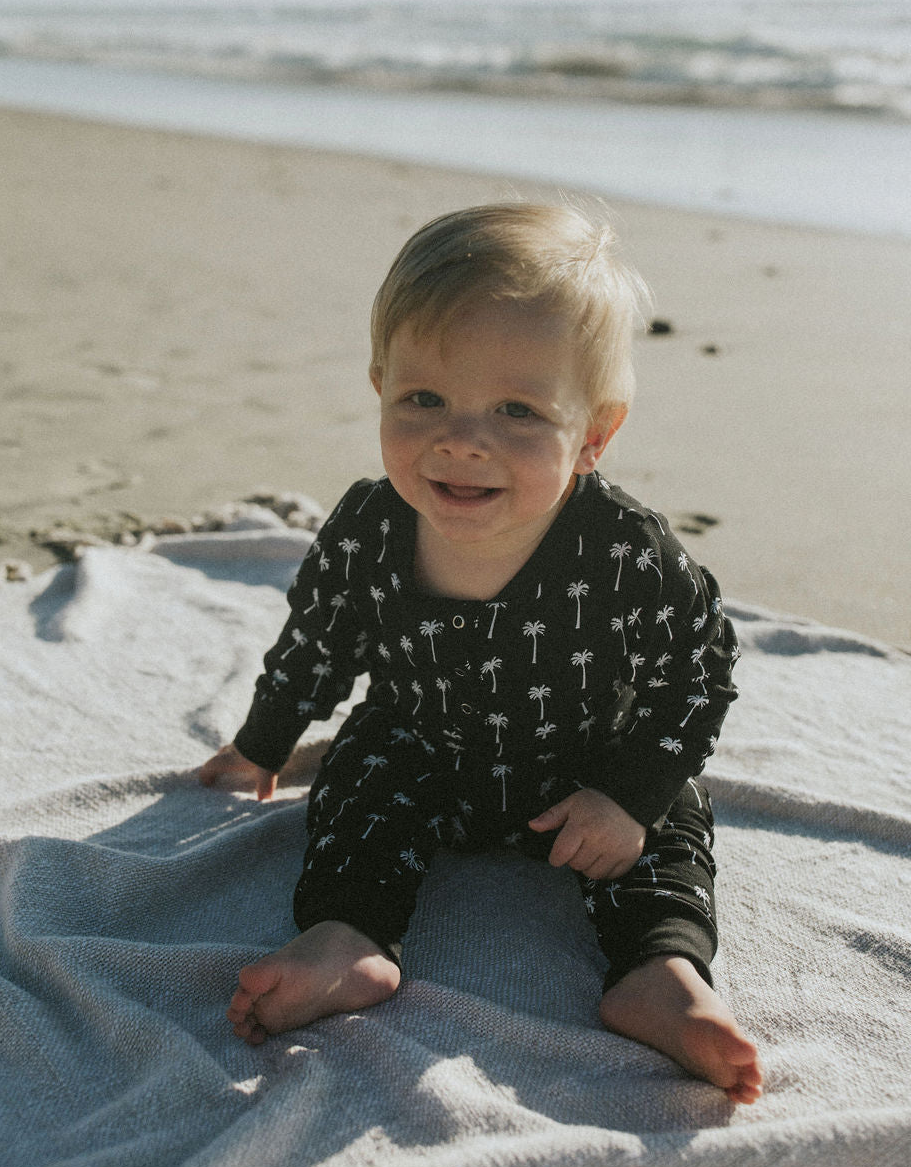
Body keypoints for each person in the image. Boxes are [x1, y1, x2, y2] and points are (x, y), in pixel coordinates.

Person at [200, 202, 763, 1104]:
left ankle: (658, 974)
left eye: (518, 410)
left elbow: (697, 672)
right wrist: (265, 741)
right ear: (379, 382)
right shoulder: (368, 526)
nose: (463, 439)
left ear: (594, 436)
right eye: (424, 399)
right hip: (423, 743)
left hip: (581, 771)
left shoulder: (623, 551)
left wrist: (628, 795)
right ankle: (351, 938)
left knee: (670, 827)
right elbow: (319, 640)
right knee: (361, 773)